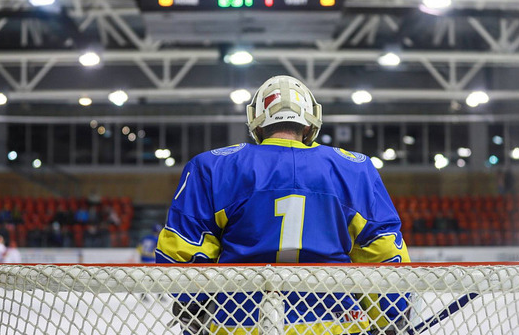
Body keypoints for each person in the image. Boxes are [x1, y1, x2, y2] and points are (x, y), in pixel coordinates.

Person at [156, 75, 410, 334]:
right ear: (311, 123)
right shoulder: (354, 168)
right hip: (335, 323)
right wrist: (390, 319)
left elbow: (183, 250)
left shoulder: (212, 166)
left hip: (238, 323)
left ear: (256, 122)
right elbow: (382, 250)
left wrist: (194, 310)